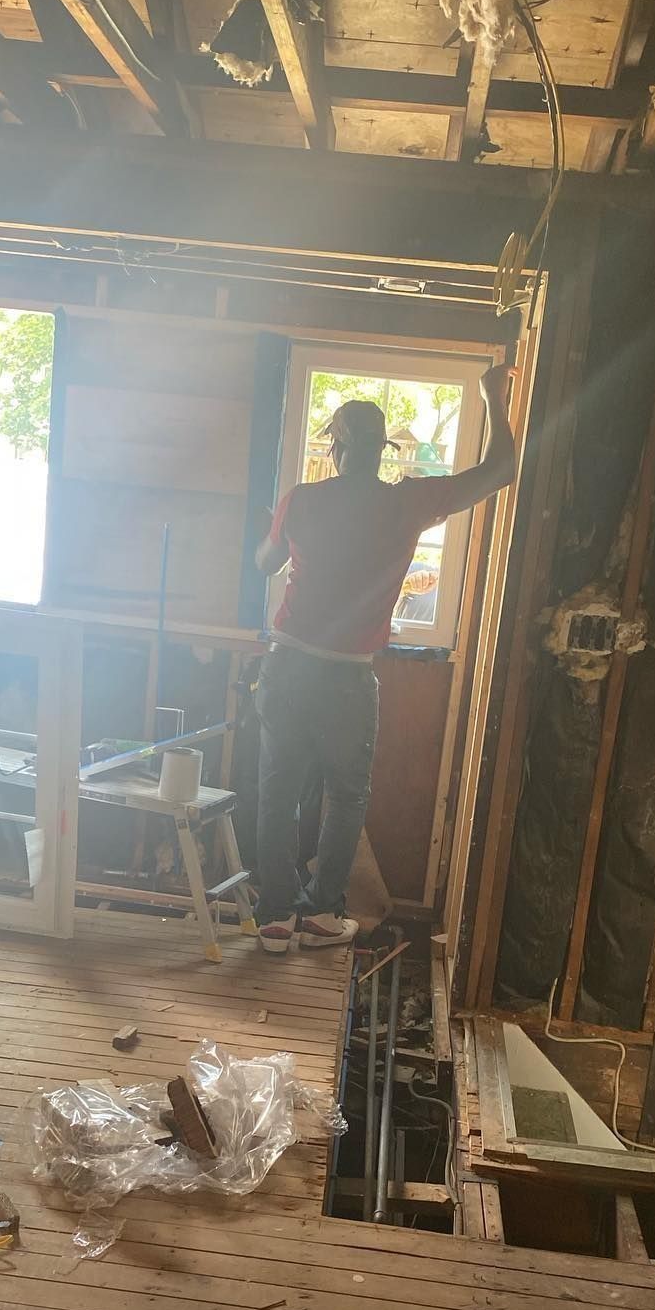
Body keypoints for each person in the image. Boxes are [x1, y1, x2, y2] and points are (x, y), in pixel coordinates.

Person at [252, 362, 518, 954]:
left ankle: (274, 919)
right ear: (382, 450)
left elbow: (265, 563)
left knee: (279, 790)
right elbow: (503, 469)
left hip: (290, 666)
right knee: (345, 795)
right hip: (349, 678)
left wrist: (272, 534)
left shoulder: (302, 500)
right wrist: (491, 396)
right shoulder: (409, 503)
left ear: (337, 446)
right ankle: (322, 916)